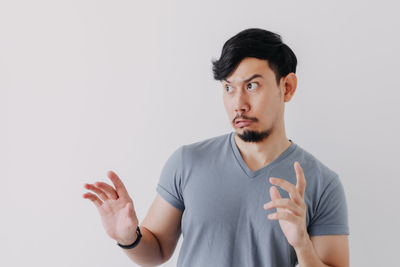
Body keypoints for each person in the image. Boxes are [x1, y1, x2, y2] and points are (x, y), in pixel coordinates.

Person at [83, 28, 350, 267]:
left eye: (252, 85)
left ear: (287, 87)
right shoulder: (188, 162)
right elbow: (157, 251)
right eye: (228, 88)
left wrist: (302, 244)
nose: (239, 103)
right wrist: (128, 237)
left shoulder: (322, 183)